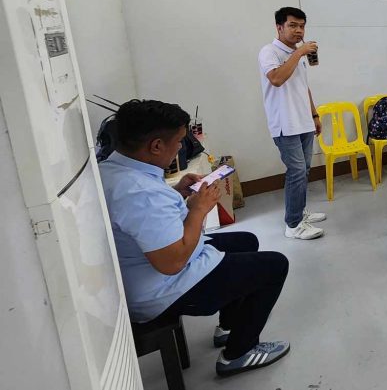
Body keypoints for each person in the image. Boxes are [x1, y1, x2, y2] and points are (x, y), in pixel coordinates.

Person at [99, 100, 290, 377]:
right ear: (155, 146)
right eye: (178, 142)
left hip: (149, 269)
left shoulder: (114, 169)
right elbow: (173, 262)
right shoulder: (139, 193)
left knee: (245, 241)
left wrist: (178, 192)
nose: (180, 147)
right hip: (165, 288)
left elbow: (146, 221)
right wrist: (199, 209)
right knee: (275, 265)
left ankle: (230, 326)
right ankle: (238, 353)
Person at [259, 6, 326, 240]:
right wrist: (298, 54)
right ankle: (293, 225)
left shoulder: (299, 53)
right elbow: (276, 79)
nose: (299, 30)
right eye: (292, 25)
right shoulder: (269, 52)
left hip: (304, 121)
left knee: (304, 170)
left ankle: (299, 212)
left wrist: (314, 115)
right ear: (279, 27)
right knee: (296, 171)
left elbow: (302, 87)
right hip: (284, 124)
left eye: (302, 26)